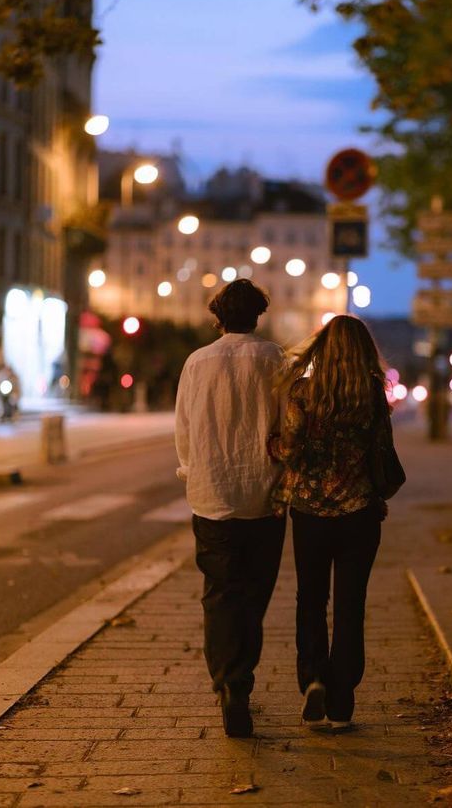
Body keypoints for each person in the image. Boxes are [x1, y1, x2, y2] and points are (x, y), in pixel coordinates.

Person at [269, 314, 396, 729]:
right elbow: (382, 451)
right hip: (360, 515)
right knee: (350, 605)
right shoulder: (373, 394)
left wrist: (272, 444)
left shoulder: (304, 393)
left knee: (310, 599)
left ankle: (313, 680)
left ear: (323, 348)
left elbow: (291, 451)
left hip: (310, 514)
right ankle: (342, 699)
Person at [175, 278, 286, 738]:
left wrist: (191, 470)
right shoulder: (274, 358)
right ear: (258, 315)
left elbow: (184, 428)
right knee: (255, 596)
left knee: (220, 593)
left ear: (218, 317)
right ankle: (243, 677)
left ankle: (229, 685)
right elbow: (287, 423)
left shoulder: (197, 362)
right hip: (263, 496)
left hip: (212, 494)